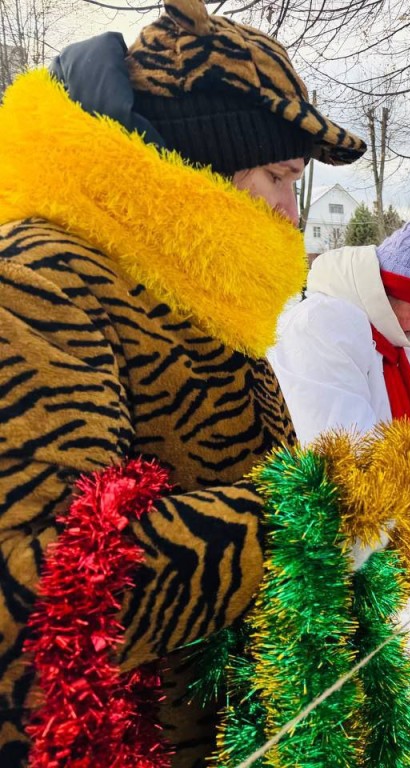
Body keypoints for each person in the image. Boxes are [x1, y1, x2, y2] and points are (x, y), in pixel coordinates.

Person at [0, 0, 366, 763]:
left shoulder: (189, 291)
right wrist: (306, 514)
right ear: (204, 159)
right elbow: (49, 599)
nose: (291, 213)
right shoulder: (37, 283)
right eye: (280, 176)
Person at [268, 197, 410, 682]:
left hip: (371, 527)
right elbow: (343, 443)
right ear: (385, 292)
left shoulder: (384, 330)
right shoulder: (326, 326)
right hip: (328, 530)